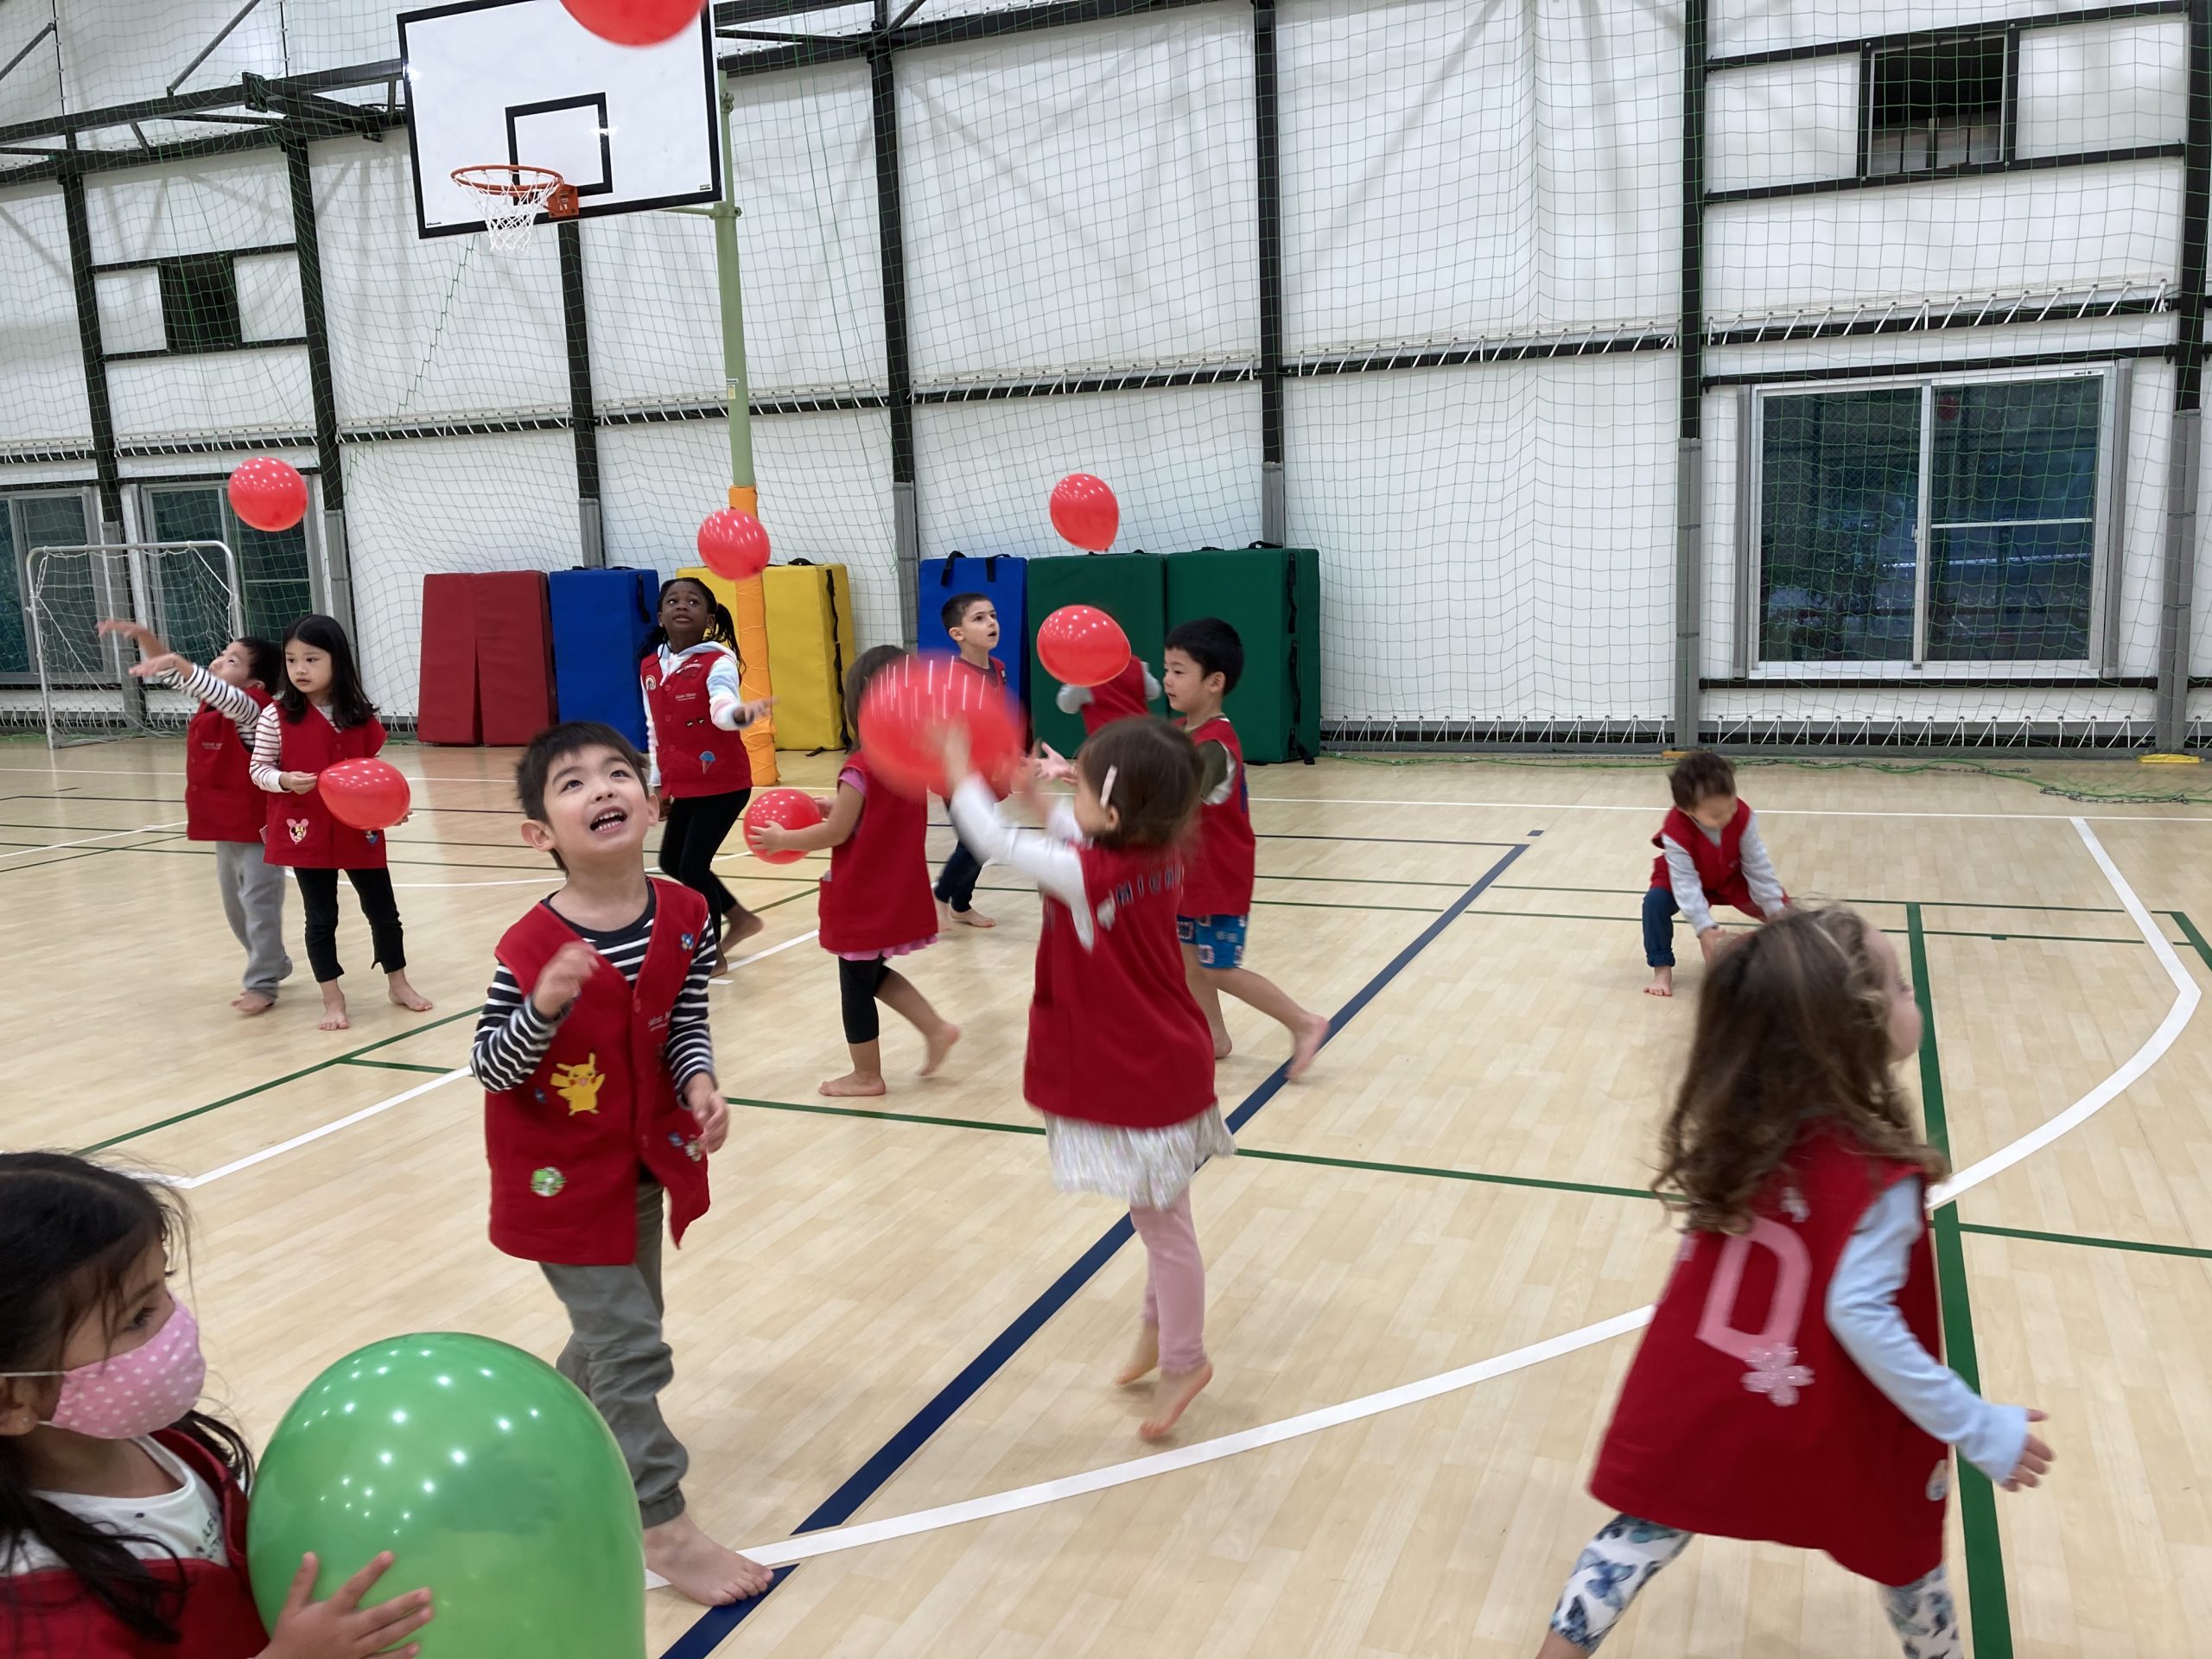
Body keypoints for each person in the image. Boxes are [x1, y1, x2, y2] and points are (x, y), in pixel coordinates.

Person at [1535, 906, 2053, 1658]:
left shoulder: (1743, 1132)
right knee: (1906, 1553)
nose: (1914, 998)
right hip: (1825, 1410)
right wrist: (1975, 1423)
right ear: (1858, 1029)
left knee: (1639, 1534)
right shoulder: (1878, 1179)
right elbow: (1860, 1317)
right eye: (1902, 989)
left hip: (1707, 1392)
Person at [467, 720, 769, 1607]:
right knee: (630, 1343)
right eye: (572, 784)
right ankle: (661, 1522)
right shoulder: (529, 948)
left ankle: (543, 1439)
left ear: (653, 799)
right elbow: (490, 1066)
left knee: (618, 1334)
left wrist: (700, 1081)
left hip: (639, 1168)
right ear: (541, 834)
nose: (601, 788)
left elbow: (683, 1019)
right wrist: (542, 1009)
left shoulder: (685, 913)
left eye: (617, 773)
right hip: (558, 1181)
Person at [0, 1151, 434, 1657]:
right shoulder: (35, 1607)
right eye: (136, 1318)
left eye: (164, 1287)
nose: (175, 1321)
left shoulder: (154, 1437)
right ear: (11, 1400)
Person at [944, 715, 1226, 1440]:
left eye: (1084, 780)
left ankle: (1186, 1360)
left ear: (1116, 809)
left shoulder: (1089, 873)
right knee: (1160, 1213)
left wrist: (960, 774)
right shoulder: (1157, 847)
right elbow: (1077, 834)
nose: (1072, 785)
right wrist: (1046, 797)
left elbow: (995, 843)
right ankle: (1157, 1333)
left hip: (1146, 1066)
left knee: (1162, 1225)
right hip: (1167, 1054)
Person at [751, 646, 959, 1098]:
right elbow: (876, 813)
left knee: (855, 984)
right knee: (870, 971)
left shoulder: (861, 764)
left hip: (865, 891)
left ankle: (867, 1075)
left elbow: (836, 832)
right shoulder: (907, 759)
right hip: (898, 886)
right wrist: (840, 804)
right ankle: (935, 1029)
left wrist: (784, 839)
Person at [1160, 618, 1328, 1077]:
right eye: (1166, 669)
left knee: (1219, 968)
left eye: (1178, 671)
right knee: (1187, 957)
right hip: (1189, 875)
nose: (1167, 680)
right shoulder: (1182, 730)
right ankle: (1213, 1036)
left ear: (1214, 682)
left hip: (1218, 878)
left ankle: (1304, 1022)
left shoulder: (1216, 746)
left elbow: (1174, 805)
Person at [248, 614, 432, 1033]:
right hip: (306, 832)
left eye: (311, 659)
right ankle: (332, 998)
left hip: (359, 831)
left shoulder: (360, 717)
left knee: (384, 913)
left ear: (338, 661)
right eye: (292, 660)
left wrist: (391, 811)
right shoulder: (276, 716)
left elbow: (376, 778)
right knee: (321, 918)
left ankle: (398, 984)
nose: (300, 669)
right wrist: (284, 780)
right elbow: (258, 769)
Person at [99, 620, 291, 1015]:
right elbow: (178, 675)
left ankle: (262, 983)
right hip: (225, 830)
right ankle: (274, 961)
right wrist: (146, 637)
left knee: (259, 907)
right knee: (236, 910)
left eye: (232, 660)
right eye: (221, 654)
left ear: (256, 683)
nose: (218, 661)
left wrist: (181, 663)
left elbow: (210, 686)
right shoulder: (212, 703)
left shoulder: (255, 710)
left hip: (260, 832)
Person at [641, 577, 773, 973]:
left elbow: (722, 707)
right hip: (683, 782)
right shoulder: (650, 666)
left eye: (693, 601)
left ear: (710, 619)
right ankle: (741, 918)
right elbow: (654, 728)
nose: (682, 606)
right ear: (661, 616)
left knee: (693, 866)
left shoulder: (718, 661)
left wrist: (739, 715)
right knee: (671, 860)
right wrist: (658, 784)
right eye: (673, 601)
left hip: (723, 783)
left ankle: (711, 953)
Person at [1643, 748, 1788, 999]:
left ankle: (1790, 964)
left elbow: (1758, 867)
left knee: (1786, 917)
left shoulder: (1743, 817)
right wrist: (1704, 929)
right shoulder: (1675, 830)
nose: (1728, 817)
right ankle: (1662, 970)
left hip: (1731, 876)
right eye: (1716, 815)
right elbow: (1686, 884)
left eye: (1731, 806)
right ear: (1687, 810)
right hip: (1684, 878)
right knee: (1654, 904)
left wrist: (1775, 911)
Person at [931, 592, 1007, 930]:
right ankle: (940, 897)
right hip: (958, 775)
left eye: (993, 615)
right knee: (977, 841)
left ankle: (961, 906)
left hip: (989, 773)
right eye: (979, 618)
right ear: (957, 633)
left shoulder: (998, 668)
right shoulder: (952, 677)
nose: (991, 623)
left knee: (980, 843)